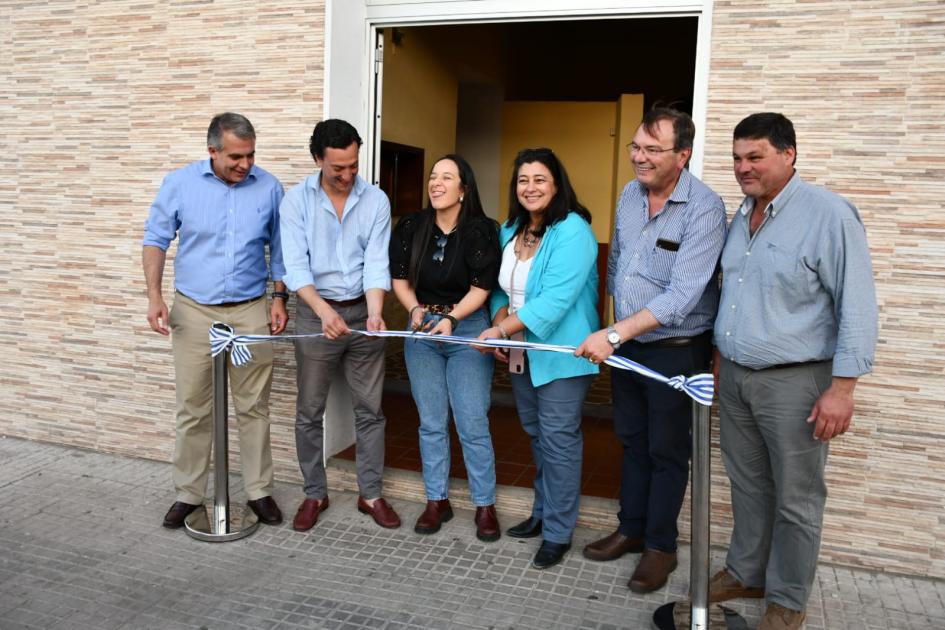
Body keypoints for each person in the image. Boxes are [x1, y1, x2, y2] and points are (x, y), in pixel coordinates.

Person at [710, 113, 878, 630]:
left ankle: (787, 599)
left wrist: (843, 388)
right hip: (736, 377)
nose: (743, 167)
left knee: (797, 495)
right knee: (748, 484)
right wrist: (719, 365)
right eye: (737, 158)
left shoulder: (828, 214)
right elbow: (733, 297)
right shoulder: (742, 214)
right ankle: (747, 570)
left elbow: (859, 303)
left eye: (755, 156)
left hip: (797, 381)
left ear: (789, 154)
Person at [575, 107, 727, 593]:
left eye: (651, 150)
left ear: (682, 155)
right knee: (631, 440)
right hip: (628, 344)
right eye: (635, 147)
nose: (639, 158)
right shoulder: (628, 195)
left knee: (666, 450)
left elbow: (683, 297)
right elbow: (618, 261)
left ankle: (661, 547)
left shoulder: (704, 209)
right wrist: (616, 328)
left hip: (675, 351)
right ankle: (631, 529)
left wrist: (614, 334)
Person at [143, 112, 288, 529]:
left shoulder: (269, 187)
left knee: (253, 406)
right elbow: (155, 239)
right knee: (193, 407)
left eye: (251, 155)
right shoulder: (180, 183)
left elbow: (281, 250)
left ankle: (259, 491)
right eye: (236, 157)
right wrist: (155, 296)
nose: (245, 165)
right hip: (193, 310)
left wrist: (279, 299)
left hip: (249, 310)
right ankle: (189, 495)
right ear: (212, 151)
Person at [476, 148, 599, 570]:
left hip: (562, 352)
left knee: (559, 440)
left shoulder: (573, 230)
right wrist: (497, 316)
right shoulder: (510, 228)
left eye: (540, 179)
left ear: (557, 184)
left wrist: (501, 330)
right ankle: (543, 512)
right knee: (537, 433)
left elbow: (557, 300)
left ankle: (559, 532)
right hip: (521, 350)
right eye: (523, 179)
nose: (530, 187)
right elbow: (498, 288)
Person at [279, 119, 401, 532]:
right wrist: (324, 311)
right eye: (338, 169)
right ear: (318, 160)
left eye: (353, 165)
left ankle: (371, 494)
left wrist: (376, 311)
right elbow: (295, 267)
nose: (348, 176)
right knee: (309, 411)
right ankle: (315, 492)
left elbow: (376, 263)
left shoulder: (377, 200)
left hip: (363, 313)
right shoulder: (296, 202)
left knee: (370, 409)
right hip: (315, 314)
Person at [389, 154, 502, 541]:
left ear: (463, 189)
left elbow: (481, 287)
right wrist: (415, 309)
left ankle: (484, 504)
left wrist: (452, 319)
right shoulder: (411, 225)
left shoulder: (482, 230)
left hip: (467, 328)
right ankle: (436, 499)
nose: (436, 183)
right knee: (431, 422)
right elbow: (400, 279)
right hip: (422, 331)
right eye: (433, 177)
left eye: (446, 177)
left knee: (472, 421)